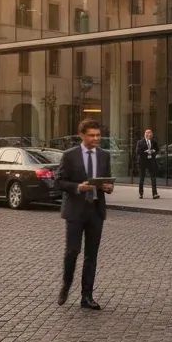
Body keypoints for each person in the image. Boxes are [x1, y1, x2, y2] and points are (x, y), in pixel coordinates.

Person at [54, 118, 113, 311]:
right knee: (72, 251)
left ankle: (87, 296)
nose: (96, 139)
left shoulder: (104, 156)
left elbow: (109, 183)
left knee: (91, 255)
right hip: (75, 211)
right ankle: (66, 284)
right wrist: (78, 187)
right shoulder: (70, 155)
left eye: (98, 135)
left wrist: (108, 187)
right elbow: (59, 182)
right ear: (82, 135)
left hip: (96, 210)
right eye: (92, 135)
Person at [135, 128, 160, 199]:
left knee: (153, 178)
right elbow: (137, 151)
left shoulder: (154, 142)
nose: (149, 134)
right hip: (143, 162)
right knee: (142, 178)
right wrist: (145, 152)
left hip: (151, 161)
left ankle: (154, 194)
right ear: (145, 134)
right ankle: (141, 193)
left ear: (152, 134)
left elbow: (157, 149)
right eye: (147, 133)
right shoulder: (140, 142)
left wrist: (153, 151)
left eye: (150, 133)